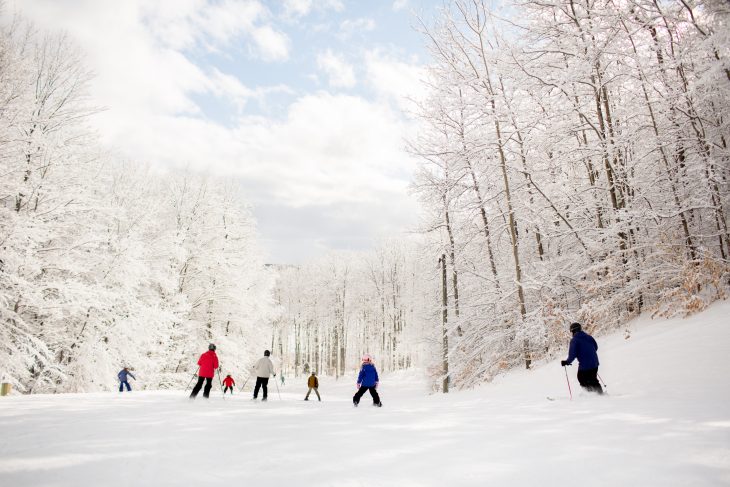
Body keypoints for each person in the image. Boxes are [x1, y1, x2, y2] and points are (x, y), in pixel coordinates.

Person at [561, 322, 603, 394]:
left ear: (573, 331)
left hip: (585, 365)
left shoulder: (574, 340)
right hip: (595, 363)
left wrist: (567, 362)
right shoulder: (589, 337)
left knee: (581, 378)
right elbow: (595, 347)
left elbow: (572, 354)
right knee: (593, 379)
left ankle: (590, 395)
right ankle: (600, 394)